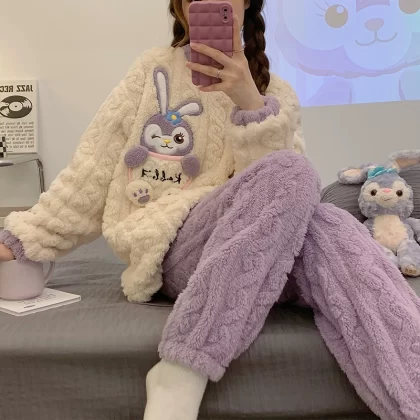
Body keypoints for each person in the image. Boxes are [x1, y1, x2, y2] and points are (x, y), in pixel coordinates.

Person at [1, 1, 419, 419]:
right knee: (299, 178)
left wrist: (250, 103)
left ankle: (409, 404)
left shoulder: (276, 94)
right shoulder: (151, 72)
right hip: (172, 247)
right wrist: (23, 238)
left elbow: (282, 204)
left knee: (326, 222)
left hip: (260, 254)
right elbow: (92, 169)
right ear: (181, 7)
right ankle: (187, 364)